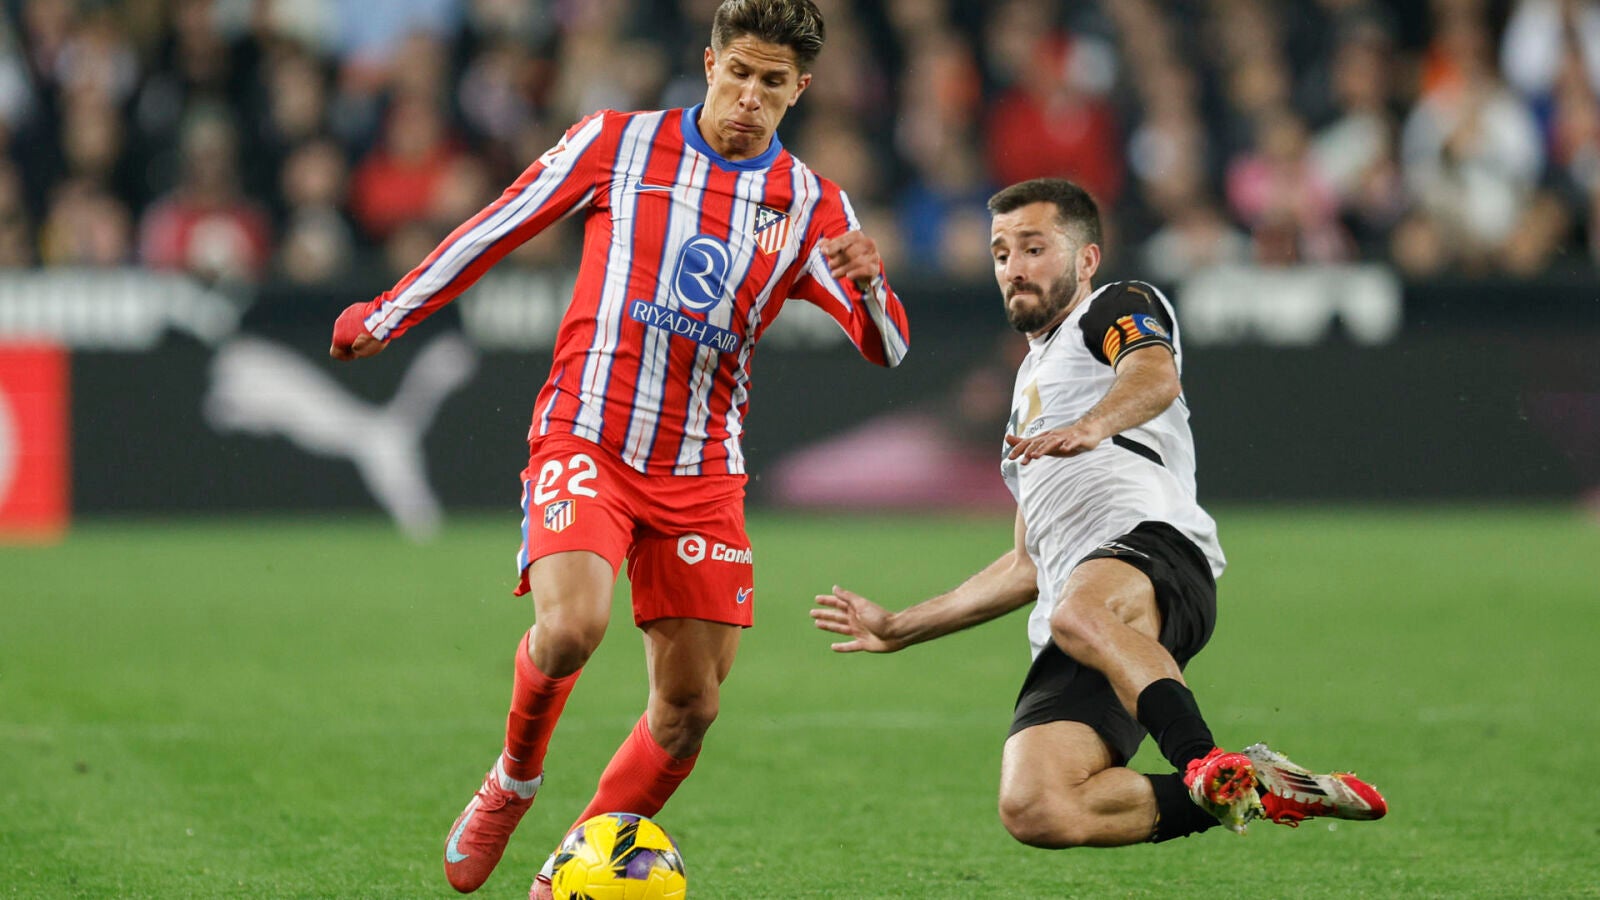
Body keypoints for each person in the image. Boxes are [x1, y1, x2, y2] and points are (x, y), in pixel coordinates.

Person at [328, 1, 910, 896]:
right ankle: (512, 780)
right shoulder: (619, 142)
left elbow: (888, 348)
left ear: (801, 89)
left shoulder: (811, 204)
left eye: (772, 82)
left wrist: (870, 288)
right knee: (570, 628)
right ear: (709, 63)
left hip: (702, 471)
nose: (749, 97)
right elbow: (500, 222)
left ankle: (565, 871)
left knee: (690, 709)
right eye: (738, 73)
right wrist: (388, 313)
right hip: (589, 432)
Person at [810, 177, 1384, 847]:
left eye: (1033, 248)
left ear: (1085, 259)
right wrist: (900, 627)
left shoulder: (1115, 305)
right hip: (1081, 613)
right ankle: (1254, 785)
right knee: (1039, 808)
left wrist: (1094, 424)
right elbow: (1027, 566)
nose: (1013, 268)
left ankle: (1203, 760)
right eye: (1001, 253)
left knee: (1076, 612)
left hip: (1155, 550)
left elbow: (1153, 375)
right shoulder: (1026, 391)